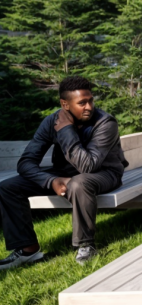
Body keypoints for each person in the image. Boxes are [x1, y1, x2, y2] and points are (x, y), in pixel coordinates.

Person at [0, 77, 128, 269]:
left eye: (90, 100)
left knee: (79, 182)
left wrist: (66, 130)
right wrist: (51, 180)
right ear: (64, 104)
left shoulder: (105, 123)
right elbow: (26, 163)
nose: (89, 107)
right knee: (8, 187)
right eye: (82, 103)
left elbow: (88, 166)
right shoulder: (51, 121)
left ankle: (86, 244)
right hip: (62, 174)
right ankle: (27, 250)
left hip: (104, 173)